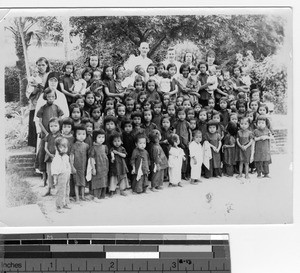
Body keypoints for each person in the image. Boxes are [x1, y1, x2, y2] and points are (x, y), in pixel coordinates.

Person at [27, 57, 51, 148]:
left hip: (47, 103)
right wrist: (36, 89)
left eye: (43, 65)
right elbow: (29, 92)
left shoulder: (49, 75)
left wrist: (40, 87)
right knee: (35, 124)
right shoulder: (33, 77)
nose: (41, 67)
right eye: (39, 65)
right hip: (35, 103)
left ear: (47, 65)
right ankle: (35, 148)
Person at [51, 137, 71, 212]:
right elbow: (54, 170)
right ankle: (59, 206)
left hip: (67, 174)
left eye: (65, 147)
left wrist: (69, 173)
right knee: (60, 191)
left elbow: (68, 165)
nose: (64, 149)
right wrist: (55, 178)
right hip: (60, 176)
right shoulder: (56, 158)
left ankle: (66, 203)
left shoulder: (66, 156)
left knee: (67, 190)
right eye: (61, 147)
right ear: (56, 148)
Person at [70, 125, 89, 203]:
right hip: (76, 167)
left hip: (84, 167)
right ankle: (77, 197)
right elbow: (71, 156)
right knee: (77, 183)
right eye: (79, 134)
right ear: (75, 135)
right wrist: (72, 166)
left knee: (83, 183)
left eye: (83, 134)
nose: (81, 136)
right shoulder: (74, 146)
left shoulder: (86, 146)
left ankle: (83, 196)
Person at [90, 129, 109, 201]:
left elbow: (105, 155)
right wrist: (93, 168)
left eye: (103, 137)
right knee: (97, 181)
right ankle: (95, 196)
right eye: (99, 137)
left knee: (103, 180)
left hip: (104, 166)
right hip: (97, 166)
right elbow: (92, 158)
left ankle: (102, 195)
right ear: (95, 138)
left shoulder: (104, 147)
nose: (101, 139)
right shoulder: (93, 148)